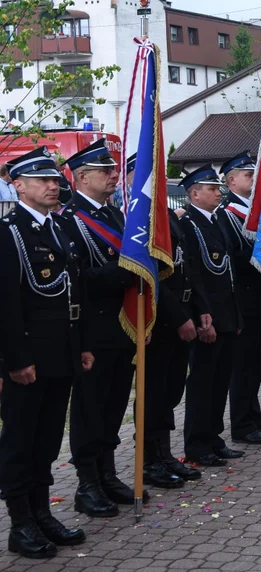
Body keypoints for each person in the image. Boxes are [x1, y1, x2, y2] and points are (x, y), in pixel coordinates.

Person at [0, 147, 92, 558]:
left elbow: (72, 293)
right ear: (17, 185)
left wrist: (82, 346)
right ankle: (20, 524)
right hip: (29, 359)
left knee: (48, 439)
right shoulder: (8, 232)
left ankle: (42, 513)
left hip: (61, 354)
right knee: (20, 441)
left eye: (55, 180)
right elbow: (6, 304)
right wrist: (16, 360)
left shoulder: (57, 228)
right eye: (42, 180)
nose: (53, 186)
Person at [59, 139, 140, 518]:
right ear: (81, 177)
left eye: (112, 170)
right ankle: (87, 482)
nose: (113, 176)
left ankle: (107, 473)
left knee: (113, 406)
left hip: (122, 328)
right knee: (90, 410)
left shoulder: (115, 216)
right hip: (93, 330)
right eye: (104, 172)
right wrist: (125, 272)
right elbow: (79, 278)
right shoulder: (70, 221)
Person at [144, 151, 206, 489]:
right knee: (153, 393)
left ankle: (164, 454)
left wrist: (199, 309)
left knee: (170, 391)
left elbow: (186, 269)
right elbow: (153, 278)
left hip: (183, 315)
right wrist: (181, 317)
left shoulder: (169, 216)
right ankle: (149, 460)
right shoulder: (139, 219)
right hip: (159, 319)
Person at [178, 164, 245, 467]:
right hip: (208, 317)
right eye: (212, 189)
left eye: (219, 188)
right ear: (194, 193)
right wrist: (203, 314)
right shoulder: (188, 225)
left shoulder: (216, 220)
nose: (218, 193)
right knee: (203, 383)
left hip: (227, 312)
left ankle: (214, 438)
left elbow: (228, 271)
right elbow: (194, 276)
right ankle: (197, 443)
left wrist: (235, 317)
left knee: (220, 382)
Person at [217, 152, 261, 447]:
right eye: (248, 175)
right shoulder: (227, 214)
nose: (254, 179)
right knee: (243, 367)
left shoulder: (258, 211)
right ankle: (241, 424)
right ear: (231, 181)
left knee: (257, 363)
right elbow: (234, 258)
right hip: (245, 300)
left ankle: (255, 418)